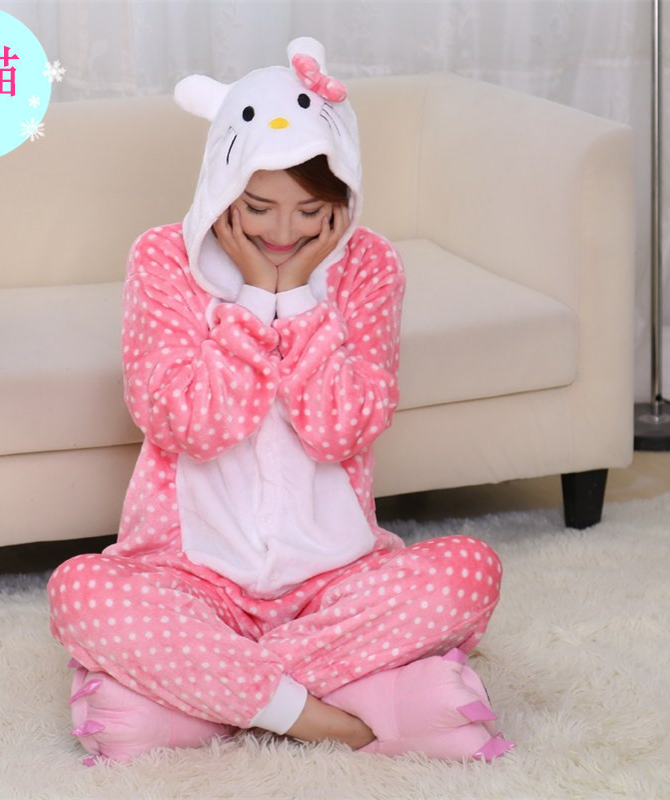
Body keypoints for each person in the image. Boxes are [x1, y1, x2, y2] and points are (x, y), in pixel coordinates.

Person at [48, 37, 512, 765]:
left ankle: (207, 696)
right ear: (222, 186)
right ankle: (328, 716)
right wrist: (244, 307)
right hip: (190, 581)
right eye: (258, 208)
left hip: (335, 582)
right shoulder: (163, 260)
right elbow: (189, 425)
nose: (281, 234)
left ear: (342, 200)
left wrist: (293, 299)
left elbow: (341, 431)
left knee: (469, 570)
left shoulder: (369, 267)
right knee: (80, 591)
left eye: (310, 212)